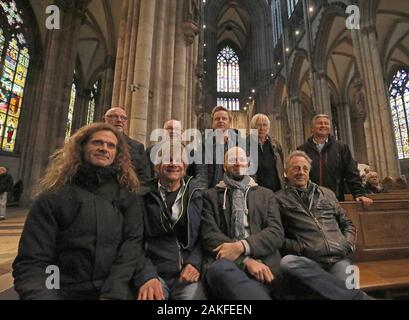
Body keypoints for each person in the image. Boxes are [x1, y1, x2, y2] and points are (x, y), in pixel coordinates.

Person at [13, 123, 144, 300]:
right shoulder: (53, 195)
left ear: (117, 154)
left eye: (111, 145)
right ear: (81, 147)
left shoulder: (127, 195)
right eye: (97, 143)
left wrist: (113, 293)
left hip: (112, 290)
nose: (104, 149)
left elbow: (131, 246)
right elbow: (33, 261)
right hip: (63, 291)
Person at [275, 151, 370, 300]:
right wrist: (300, 247)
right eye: (296, 168)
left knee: (344, 287)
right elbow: (277, 235)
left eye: (305, 169)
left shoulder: (327, 193)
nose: (301, 172)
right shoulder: (278, 199)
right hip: (309, 261)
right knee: (287, 262)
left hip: (338, 258)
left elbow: (347, 223)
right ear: (286, 172)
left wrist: (347, 244)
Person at [201, 147, 284, 300]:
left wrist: (243, 246)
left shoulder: (266, 194)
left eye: (242, 159)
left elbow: (276, 232)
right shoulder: (210, 196)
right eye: (232, 159)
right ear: (224, 165)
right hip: (226, 264)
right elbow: (209, 235)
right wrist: (245, 261)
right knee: (219, 271)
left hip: (264, 261)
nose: (238, 163)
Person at [134, 144, 205, 300]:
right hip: (154, 273)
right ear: (158, 165)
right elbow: (133, 241)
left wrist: (195, 262)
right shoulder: (142, 195)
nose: (173, 164)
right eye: (167, 159)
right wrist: (146, 274)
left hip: (188, 273)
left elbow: (204, 236)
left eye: (178, 160)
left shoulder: (196, 193)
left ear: (184, 165)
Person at [298, 114, 372, 206]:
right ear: (312, 128)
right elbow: (296, 175)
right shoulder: (302, 150)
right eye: (320, 123)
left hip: (335, 199)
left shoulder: (341, 147)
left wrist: (359, 194)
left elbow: (351, 172)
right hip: (309, 200)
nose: (323, 125)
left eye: (326, 124)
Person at [195, 106, 243, 189]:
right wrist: (203, 194)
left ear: (229, 122)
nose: (221, 121)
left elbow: (244, 169)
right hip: (212, 190)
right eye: (217, 119)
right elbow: (202, 171)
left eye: (224, 118)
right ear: (212, 122)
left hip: (234, 189)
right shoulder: (204, 143)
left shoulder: (239, 142)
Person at [104, 107, 152, 184]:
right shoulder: (95, 143)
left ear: (126, 123)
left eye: (123, 118)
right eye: (114, 117)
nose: (119, 120)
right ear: (105, 120)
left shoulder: (137, 147)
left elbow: (145, 178)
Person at [248, 113, 285, 192]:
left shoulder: (275, 144)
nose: (262, 128)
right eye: (258, 125)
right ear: (253, 127)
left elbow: (280, 165)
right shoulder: (245, 144)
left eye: (265, 125)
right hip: (255, 190)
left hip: (276, 190)